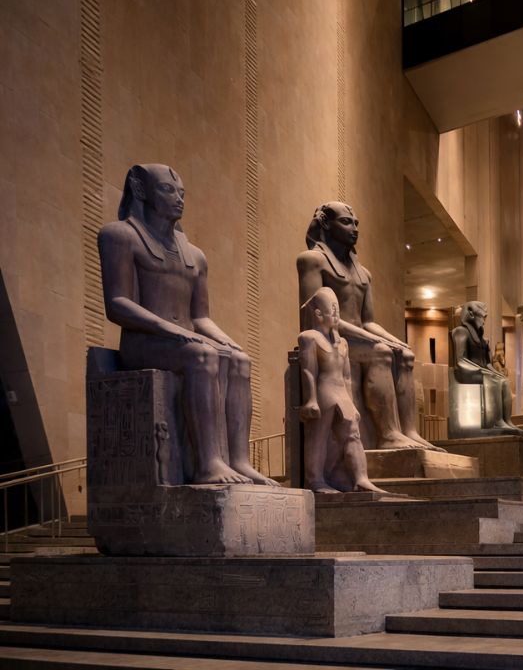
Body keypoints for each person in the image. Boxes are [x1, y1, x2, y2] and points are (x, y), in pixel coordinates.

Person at [98, 164, 276, 486]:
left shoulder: (195, 255)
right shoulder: (119, 235)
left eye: (181, 192)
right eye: (167, 190)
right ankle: (208, 464)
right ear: (141, 191)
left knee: (239, 360)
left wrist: (226, 341)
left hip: (178, 341)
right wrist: (174, 331)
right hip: (142, 342)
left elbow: (200, 318)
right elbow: (118, 304)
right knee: (202, 356)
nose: (178, 198)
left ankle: (240, 460)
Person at [297, 202, 441, 451]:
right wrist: (376, 341)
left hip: (357, 338)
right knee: (381, 352)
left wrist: (396, 341)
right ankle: (388, 434)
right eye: (345, 222)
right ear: (326, 224)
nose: (354, 229)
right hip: (329, 340)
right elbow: (316, 315)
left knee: (405, 354)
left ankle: (409, 431)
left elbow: (368, 322)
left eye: (356, 223)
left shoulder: (364, 274)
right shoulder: (312, 260)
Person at [297, 287, 386, 493]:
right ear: (318, 314)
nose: (337, 315)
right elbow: (309, 371)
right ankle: (315, 480)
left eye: (338, 310)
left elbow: (347, 377)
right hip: (324, 392)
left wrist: (351, 403)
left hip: (341, 393)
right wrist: (311, 399)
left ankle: (361, 478)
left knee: (353, 434)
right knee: (318, 436)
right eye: (332, 310)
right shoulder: (309, 338)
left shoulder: (342, 343)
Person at [450, 301, 523, 436]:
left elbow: (487, 363)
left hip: (480, 371)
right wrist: (483, 371)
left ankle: (507, 420)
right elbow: (460, 360)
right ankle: (495, 421)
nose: (484, 321)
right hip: (465, 371)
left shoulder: (483, 339)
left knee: (504, 381)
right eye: (482, 317)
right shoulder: (460, 331)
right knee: (493, 380)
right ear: (471, 314)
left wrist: (497, 373)